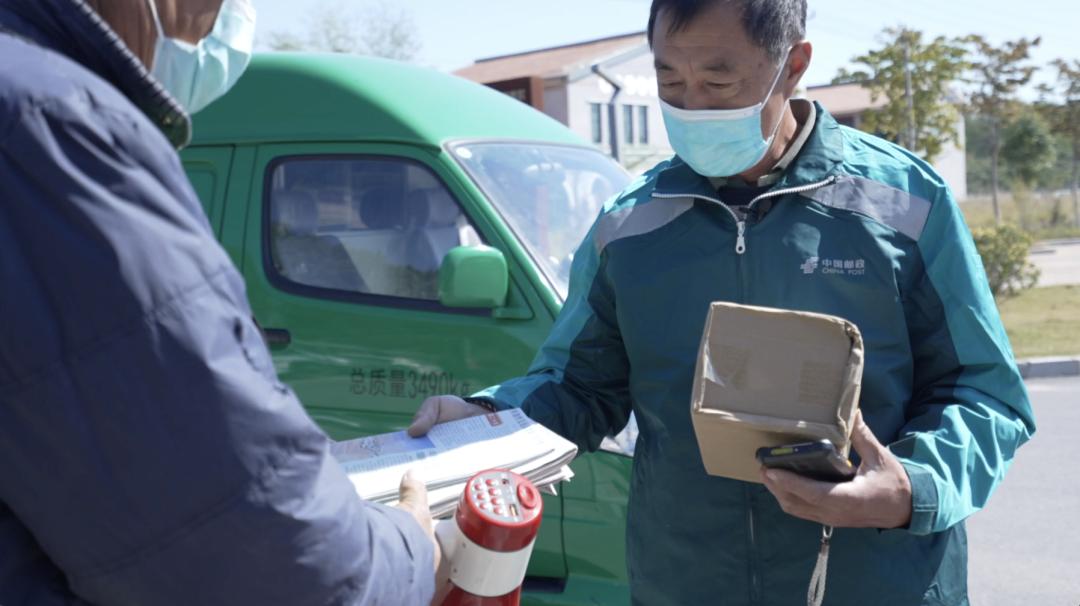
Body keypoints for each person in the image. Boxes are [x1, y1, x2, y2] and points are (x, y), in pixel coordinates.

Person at [408, 1, 1036, 604]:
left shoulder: (904, 205)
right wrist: (486, 418)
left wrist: (911, 489)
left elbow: (983, 391)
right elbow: (579, 387)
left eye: (718, 80)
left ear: (792, 66)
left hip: (876, 583)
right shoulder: (631, 226)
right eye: (669, 79)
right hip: (686, 583)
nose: (692, 106)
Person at [0, 1, 442, 604]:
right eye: (206, 13)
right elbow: (279, 568)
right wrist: (413, 545)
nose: (210, 25)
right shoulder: (55, 125)